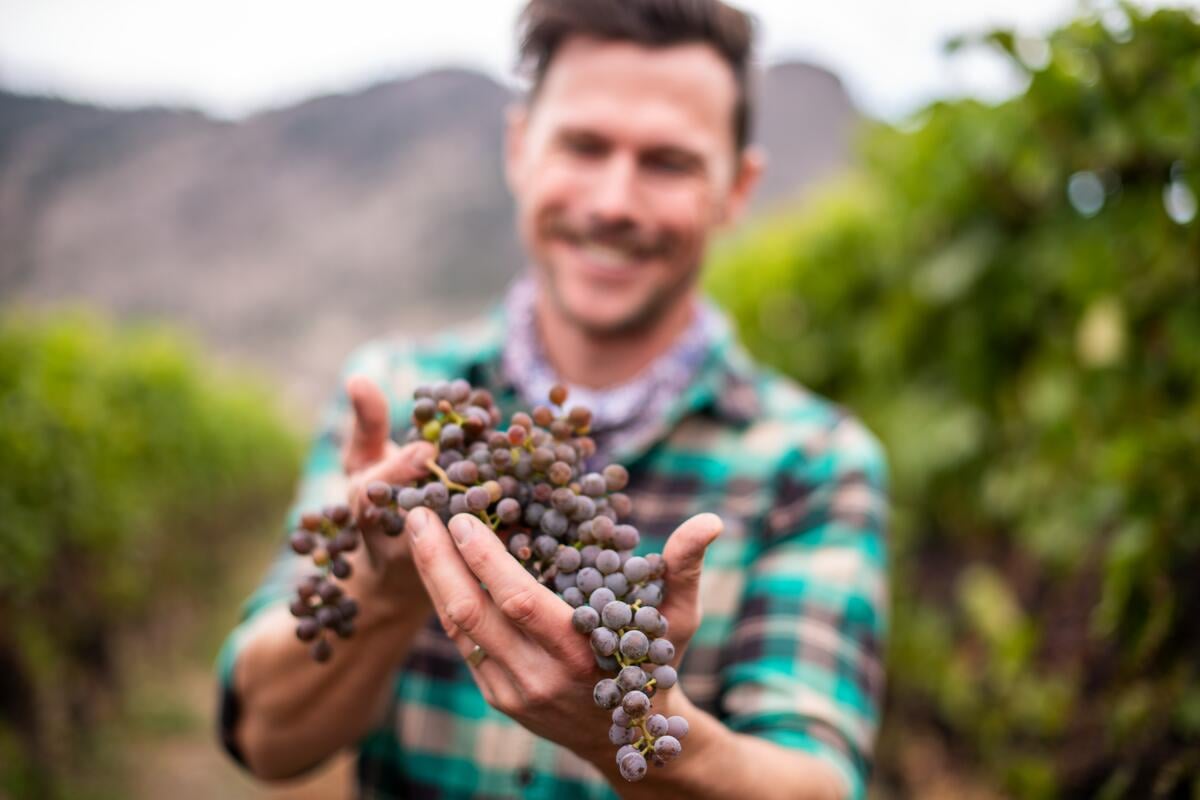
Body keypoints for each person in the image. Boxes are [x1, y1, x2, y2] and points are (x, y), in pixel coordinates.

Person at [216, 1, 888, 798]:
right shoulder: (400, 401)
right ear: (519, 149)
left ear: (735, 190)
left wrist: (634, 732)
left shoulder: (815, 460)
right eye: (583, 145)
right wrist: (384, 590)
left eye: (667, 161)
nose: (613, 202)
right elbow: (265, 738)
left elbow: (819, 780)